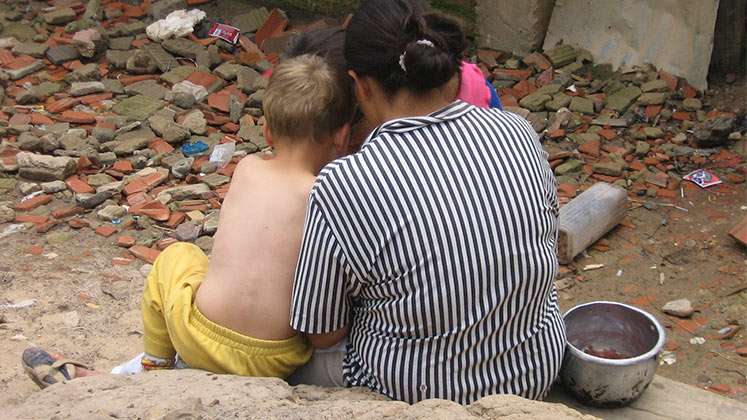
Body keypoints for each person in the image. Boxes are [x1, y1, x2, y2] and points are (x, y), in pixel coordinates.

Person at [289, 0, 566, 405]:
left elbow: (323, 331)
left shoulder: (345, 182)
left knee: (290, 355)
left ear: (359, 85)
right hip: (532, 371)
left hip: (414, 392)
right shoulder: (517, 130)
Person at [21, 54, 355, 387]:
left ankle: (155, 364)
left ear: (266, 131)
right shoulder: (325, 195)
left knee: (179, 256)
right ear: (341, 136)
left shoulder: (247, 168)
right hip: (275, 358)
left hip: (198, 339)